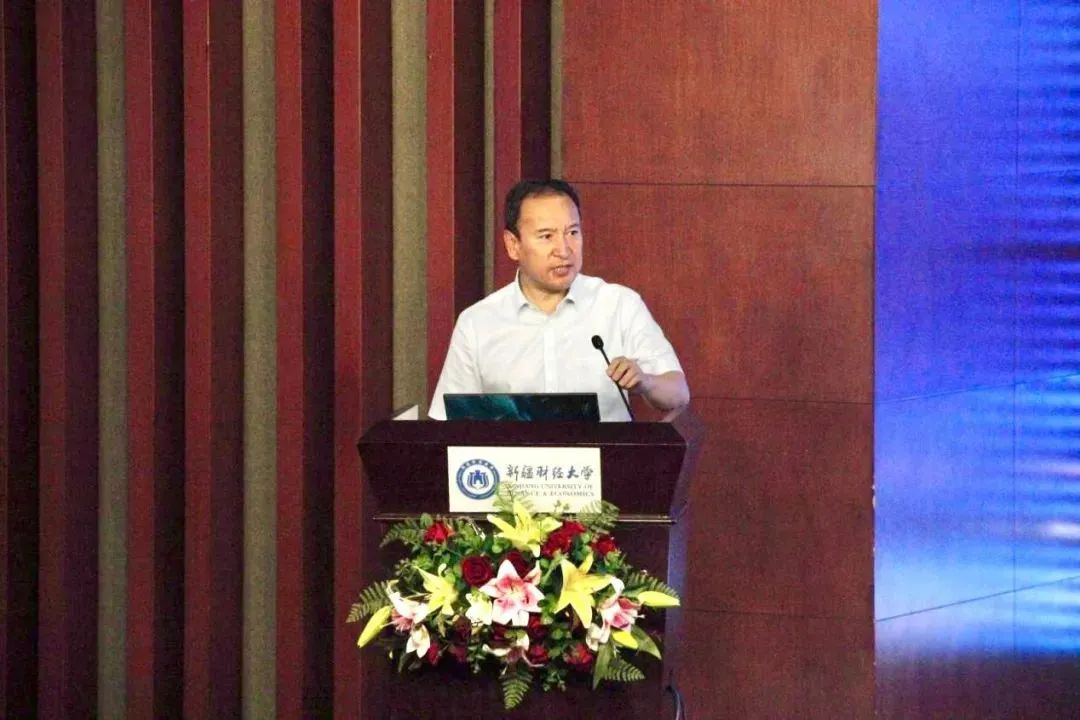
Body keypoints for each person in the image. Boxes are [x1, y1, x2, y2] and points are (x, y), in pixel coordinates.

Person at [428, 179, 689, 421]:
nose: (564, 250)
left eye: (572, 232)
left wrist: (646, 382)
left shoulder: (619, 304)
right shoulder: (477, 323)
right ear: (513, 244)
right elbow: (449, 423)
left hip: (604, 457)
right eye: (546, 236)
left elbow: (678, 393)